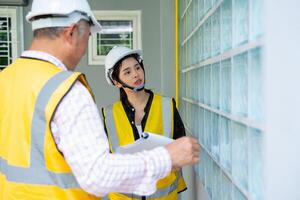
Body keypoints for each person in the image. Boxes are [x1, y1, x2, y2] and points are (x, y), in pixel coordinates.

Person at [0, 0, 200, 199]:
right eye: (87, 37)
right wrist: (166, 157)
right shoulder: (65, 91)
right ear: (71, 33)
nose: (85, 48)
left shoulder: (5, 79)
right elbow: (98, 174)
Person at [102, 46, 188, 200]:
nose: (136, 74)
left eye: (138, 67)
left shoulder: (167, 106)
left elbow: (182, 149)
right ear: (117, 82)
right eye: (127, 72)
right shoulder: (109, 115)